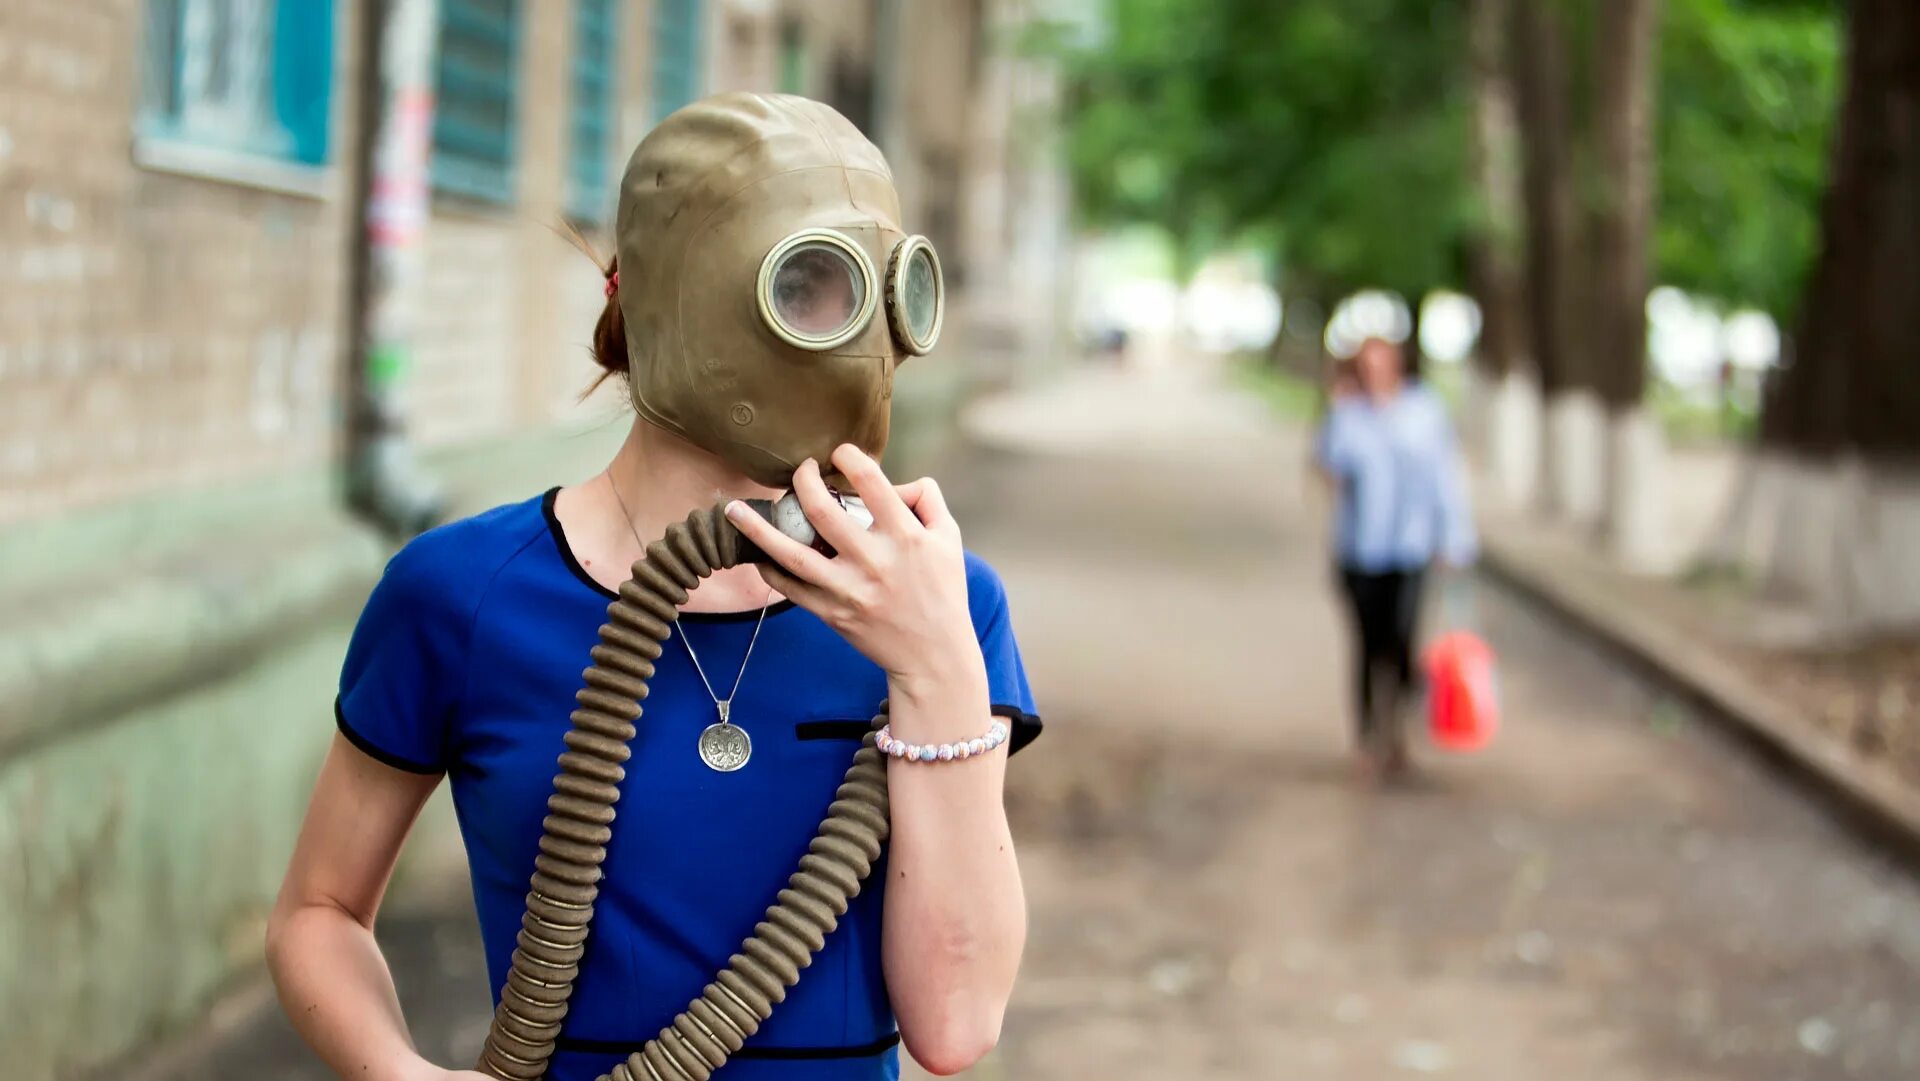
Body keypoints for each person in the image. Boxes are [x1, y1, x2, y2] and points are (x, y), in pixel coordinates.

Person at [265, 93, 1040, 1081]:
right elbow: (317, 912)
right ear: (651, 291)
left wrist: (936, 665)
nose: (846, 339)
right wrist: (397, 1070)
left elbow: (959, 1021)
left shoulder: (942, 605)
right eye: (802, 282)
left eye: (869, 292)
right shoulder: (462, 595)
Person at [1315, 336, 1474, 780]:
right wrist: (1337, 411)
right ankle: (1368, 737)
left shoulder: (1424, 412)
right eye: (1364, 366)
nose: (1374, 374)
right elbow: (1329, 470)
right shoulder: (1347, 415)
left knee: (1402, 640)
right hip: (1359, 551)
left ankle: (1400, 731)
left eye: (1380, 364)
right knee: (1367, 645)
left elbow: (1445, 477)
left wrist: (1454, 538)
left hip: (1409, 547)